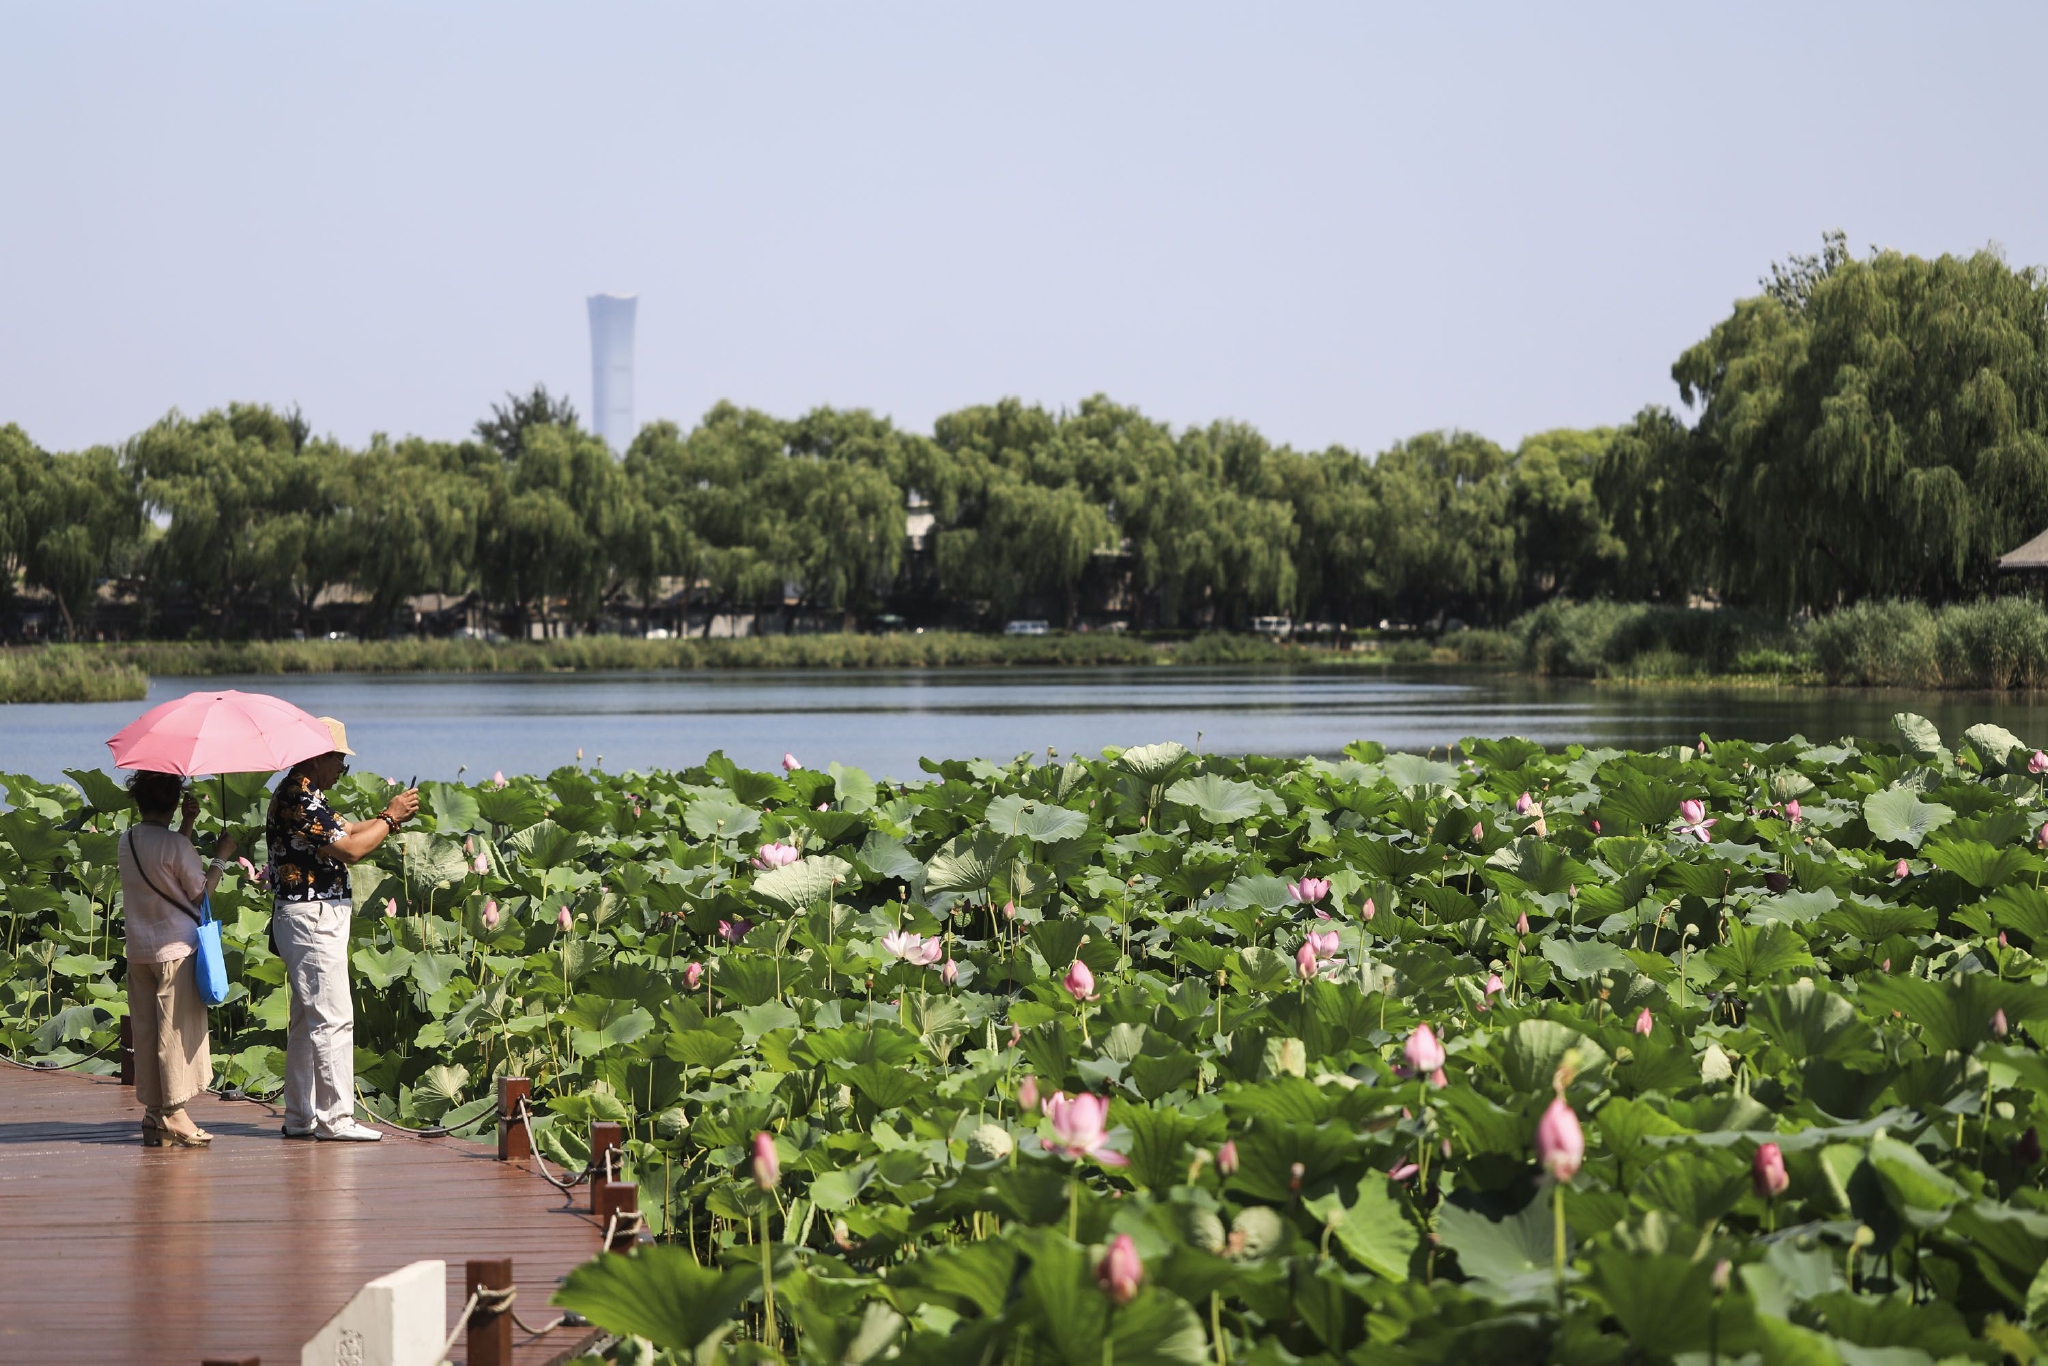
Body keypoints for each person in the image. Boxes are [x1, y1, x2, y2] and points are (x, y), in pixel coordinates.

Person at [265, 716, 418, 1142]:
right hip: (312, 918)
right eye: (339, 761)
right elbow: (351, 849)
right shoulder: (299, 799)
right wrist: (390, 819)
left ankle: (301, 1115)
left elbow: (349, 829)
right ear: (319, 756)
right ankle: (335, 1119)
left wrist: (389, 817)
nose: (341, 770)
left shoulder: (306, 793)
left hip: (304, 916)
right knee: (333, 1018)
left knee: (306, 1019)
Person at [118, 769, 236, 1148]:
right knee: (175, 1032)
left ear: (139, 801)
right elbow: (200, 894)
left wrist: (186, 824)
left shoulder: (127, 841)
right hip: (176, 952)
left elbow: (163, 866)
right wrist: (221, 858)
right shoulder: (176, 846)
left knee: (147, 1031)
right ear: (172, 802)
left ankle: (154, 1112)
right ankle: (175, 1112)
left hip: (140, 951)